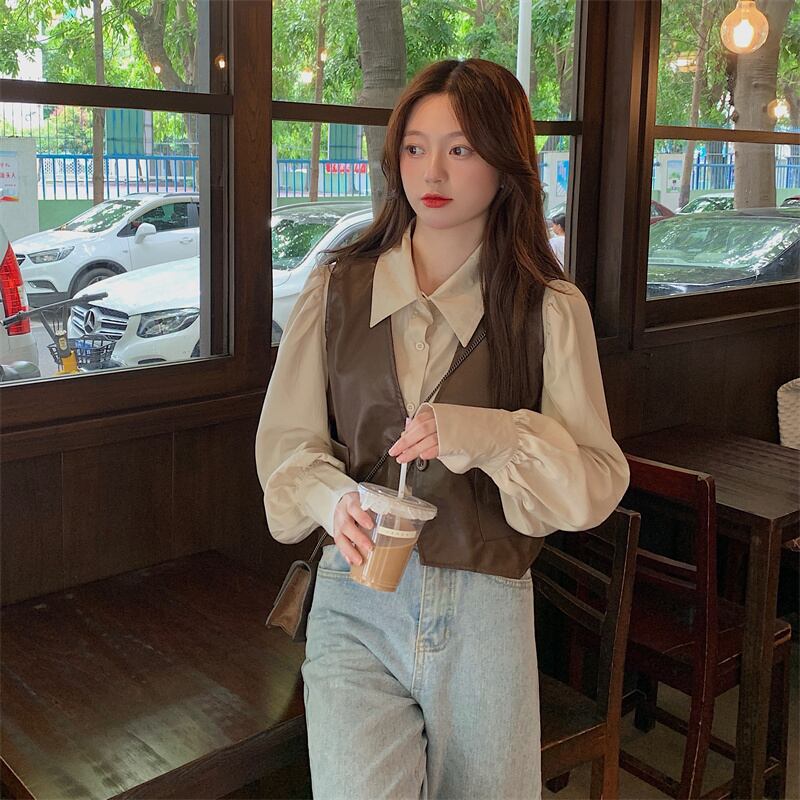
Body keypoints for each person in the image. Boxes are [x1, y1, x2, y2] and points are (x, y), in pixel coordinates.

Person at [255, 58, 629, 800]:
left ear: (504, 161)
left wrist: (489, 435)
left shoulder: (549, 309)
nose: (432, 171)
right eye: (415, 147)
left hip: (485, 607)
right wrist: (333, 499)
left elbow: (595, 481)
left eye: (460, 148)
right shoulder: (335, 288)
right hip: (355, 599)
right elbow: (287, 446)